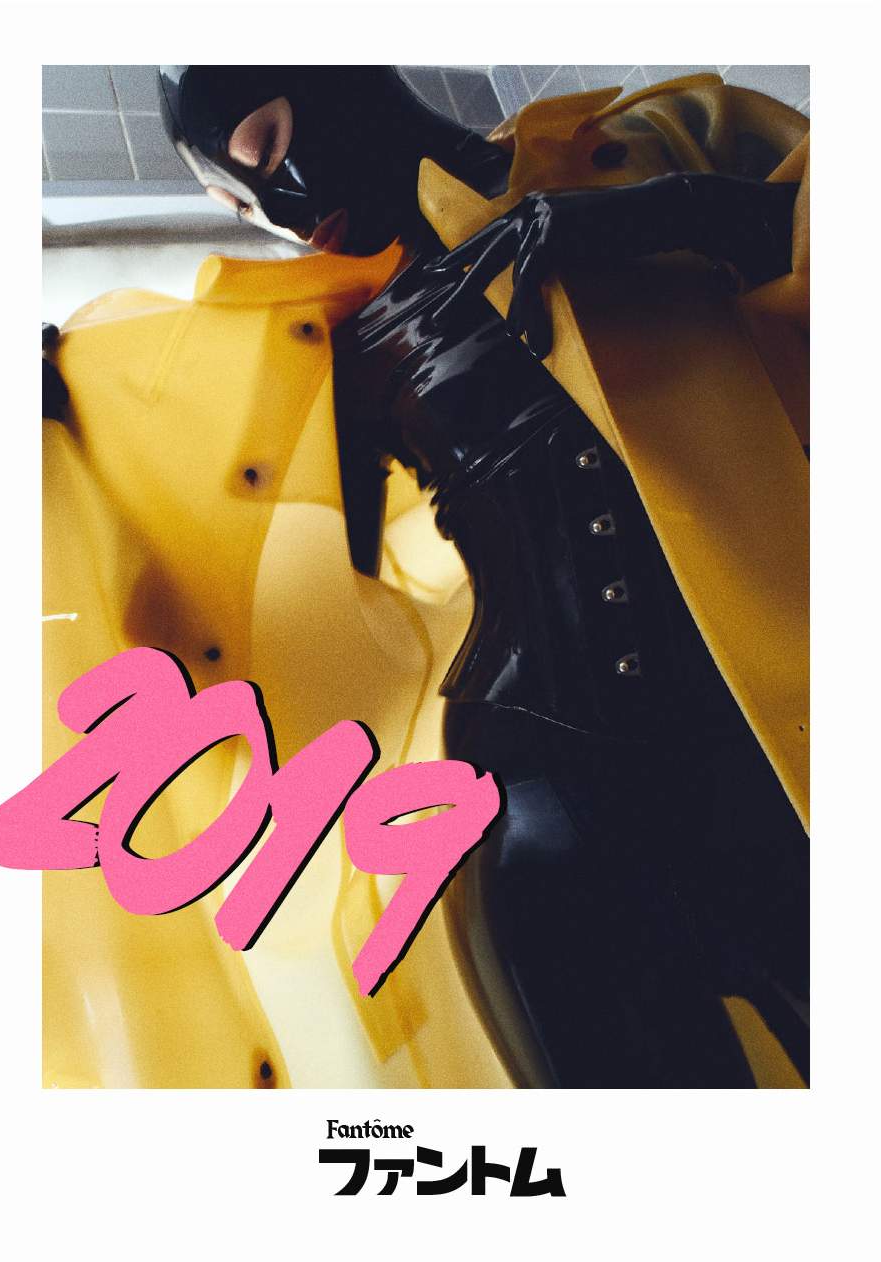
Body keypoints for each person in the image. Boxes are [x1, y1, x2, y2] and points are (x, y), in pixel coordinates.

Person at [94, 64, 805, 1087]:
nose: (276, 211)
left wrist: (670, 213)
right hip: (539, 807)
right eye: (237, 203)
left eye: (263, 147)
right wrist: (69, 433)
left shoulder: (657, 140)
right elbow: (221, 577)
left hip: (780, 741)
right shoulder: (335, 340)